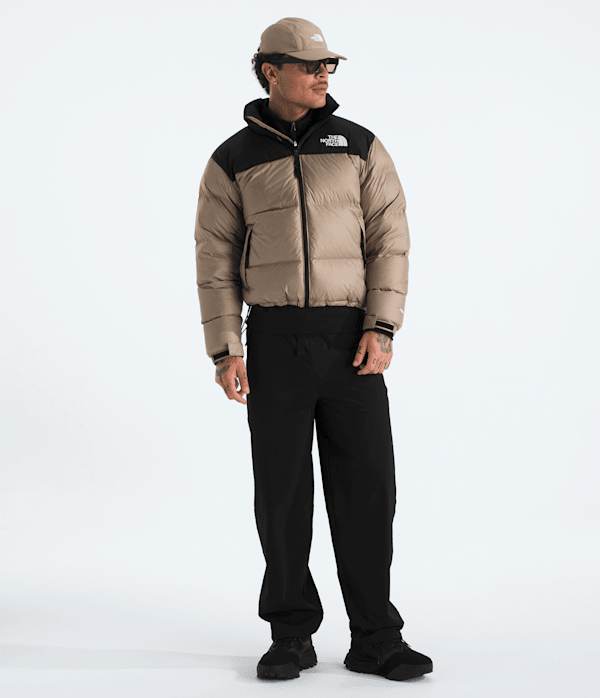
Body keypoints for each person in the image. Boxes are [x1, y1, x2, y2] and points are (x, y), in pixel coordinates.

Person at [193, 16, 433, 682]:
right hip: (274, 343)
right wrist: (226, 349)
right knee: (282, 494)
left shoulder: (359, 146)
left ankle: (376, 636)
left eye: (329, 65)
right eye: (309, 65)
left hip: (351, 341)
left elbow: (390, 239)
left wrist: (381, 326)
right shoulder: (232, 159)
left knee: (368, 489)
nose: (323, 74)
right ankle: (290, 633)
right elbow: (214, 261)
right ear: (270, 71)